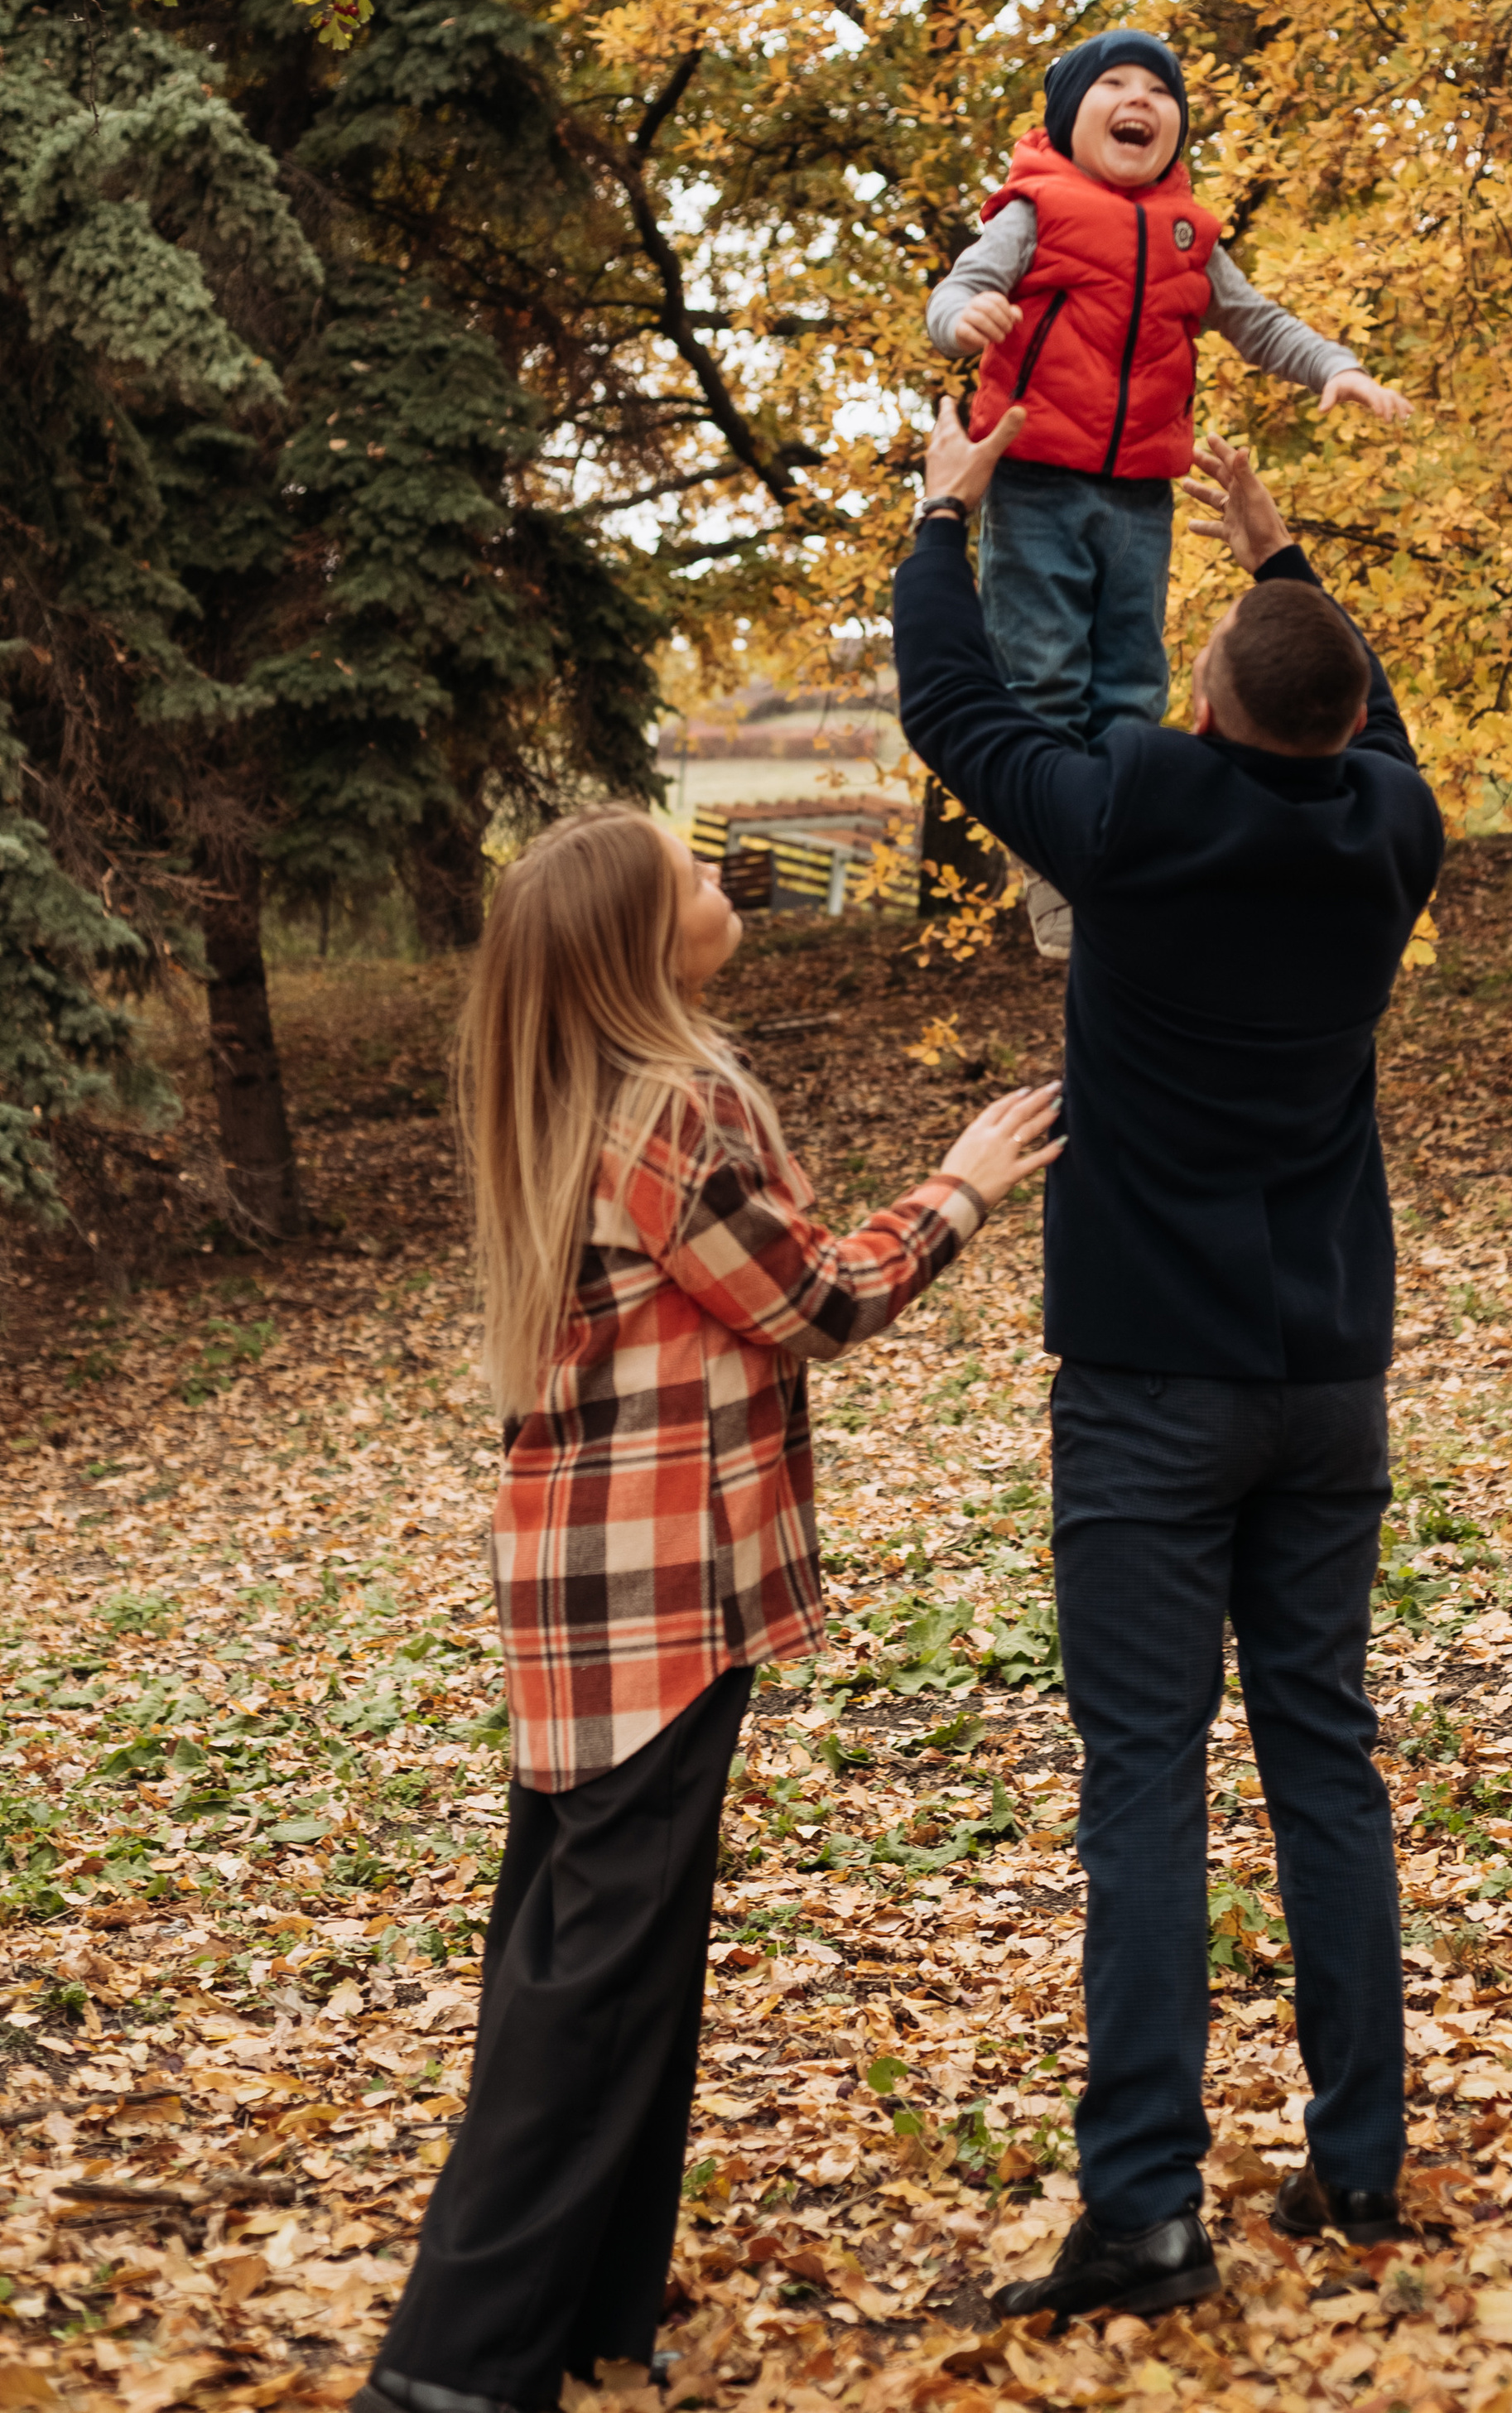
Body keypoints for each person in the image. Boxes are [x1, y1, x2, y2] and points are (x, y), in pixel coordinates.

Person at [354, 802, 1062, 2413]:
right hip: (650, 1594)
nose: (714, 878)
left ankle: (587, 2323)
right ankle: (448, 2374)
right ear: (633, 937)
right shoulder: (672, 1104)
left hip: (593, 1581)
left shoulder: (588, 1091)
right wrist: (957, 1185)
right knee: (590, 1983)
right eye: (684, 873)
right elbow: (817, 1302)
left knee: (606, 1962)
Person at [892, 407, 1446, 2321]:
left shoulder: (1136, 803)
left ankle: (1144, 2210)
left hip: (1146, 1381)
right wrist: (1280, 557)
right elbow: (1354, 718)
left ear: (1203, 702)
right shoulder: (1390, 831)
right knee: (1321, 1754)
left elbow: (953, 713)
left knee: (1142, 1773)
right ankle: (1356, 2167)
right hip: (1327, 1374)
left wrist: (939, 515)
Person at [927, 26, 1408, 953]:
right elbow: (960, 290)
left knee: (1132, 679)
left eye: (1159, 88)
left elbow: (1254, 321)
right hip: (1037, 478)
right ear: (1070, 119)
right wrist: (964, 321)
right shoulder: (1034, 211)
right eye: (1114, 83)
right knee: (1043, 673)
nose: (1139, 99)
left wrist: (1331, 370)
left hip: (1140, 490)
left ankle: (1121, 847)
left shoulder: (1188, 233)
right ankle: (1052, 869)